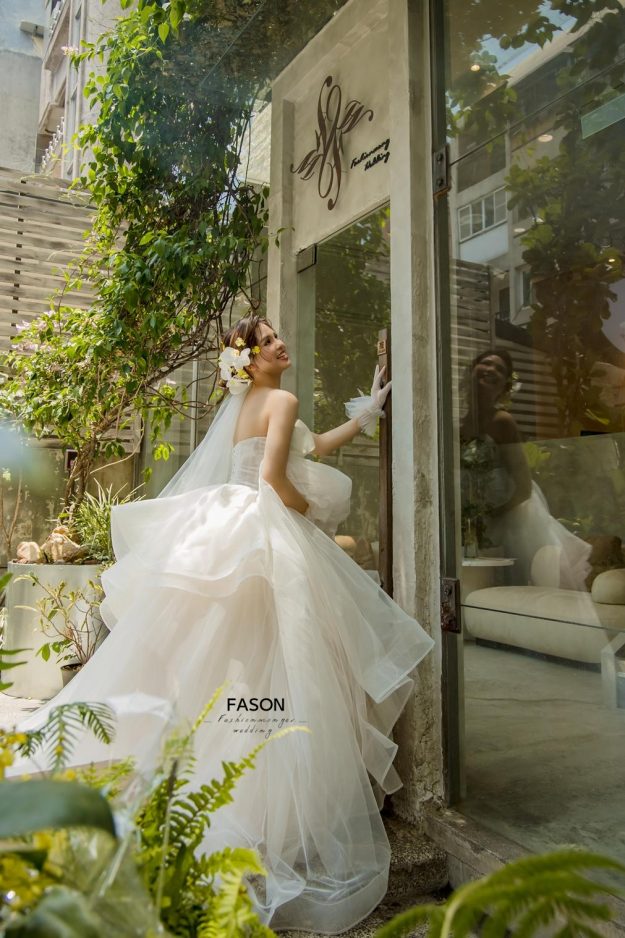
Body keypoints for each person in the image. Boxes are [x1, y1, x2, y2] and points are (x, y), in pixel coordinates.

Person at [11, 313, 435, 935]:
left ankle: (208, 774)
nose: (280, 344)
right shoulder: (282, 400)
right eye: (267, 342)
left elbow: (311, 446)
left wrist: (369, 411)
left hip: (224, 527)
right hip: (261, 527)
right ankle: (265, 798)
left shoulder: (249, 405)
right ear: (250, 360)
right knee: (281, 659)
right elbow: (275, 478)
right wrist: (311, 514)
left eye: (277, 336)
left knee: (224, 661)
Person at [460, 348, 591, 589]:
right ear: (471, 371)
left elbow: (523, 486)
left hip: (510, 518)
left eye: (500, 369)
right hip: (473, 519)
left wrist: (493, 515)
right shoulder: (460, 424)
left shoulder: (503, 421)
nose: (491, 370)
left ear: (504, 386)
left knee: (518, 581)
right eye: (486, 363)